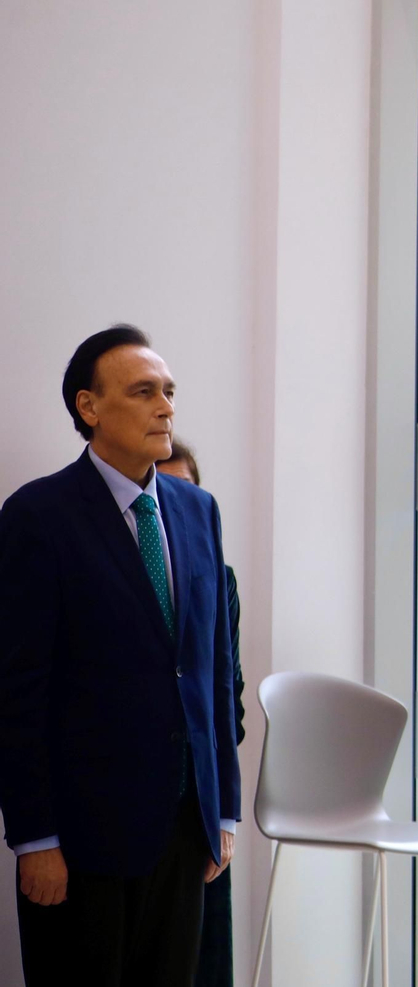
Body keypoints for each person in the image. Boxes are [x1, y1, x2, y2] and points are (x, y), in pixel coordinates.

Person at [0, 325, 241, 986]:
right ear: (90, 407)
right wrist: (35, 839)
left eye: (168, 391)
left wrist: (221, 811)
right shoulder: (36, 517)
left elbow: (213, 672)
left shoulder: (198, 511)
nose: (165, 406)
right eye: (143, 392)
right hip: (83, 837)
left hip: (184, 826)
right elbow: (18, 693)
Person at [155, 440, 245, 987]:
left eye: (184, 491)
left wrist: (221, 804)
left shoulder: (219, 576)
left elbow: (225, 689)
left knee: (206, 956)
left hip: (200, 788)